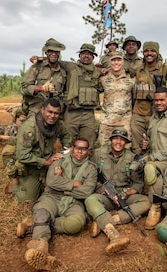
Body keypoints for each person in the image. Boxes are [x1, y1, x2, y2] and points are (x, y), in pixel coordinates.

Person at [22, 137, 98, 271]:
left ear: (88, 151)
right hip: (52, 196)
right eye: (78, 148)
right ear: (72, 148)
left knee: (77, 223)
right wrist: (73, 184)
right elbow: (51, 182)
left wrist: (62, 183)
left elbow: (86, 192)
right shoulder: (59, 159)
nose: (80, 152)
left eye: (84, 149)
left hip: (73, 202)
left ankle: (33, 226)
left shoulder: (91, 169)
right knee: (42, 212)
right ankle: (42, 247)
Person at [85, 128, 150, 254]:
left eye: (122, 140)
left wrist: (125, 194)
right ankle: (113, 234)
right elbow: (90, 175)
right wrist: (101, 188)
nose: (119, 142)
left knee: (146, 201)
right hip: (105, 195)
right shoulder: (98, 154)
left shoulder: (132, 158)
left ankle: (106, 220)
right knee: (90, 200)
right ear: (110, 140)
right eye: (115, 138)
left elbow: (138, 183)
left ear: (126, 142)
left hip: (123, 194)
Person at [136, 87, 167, 229]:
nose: (158, 103)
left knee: (150, 168)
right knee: (135, 166)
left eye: (162, 100)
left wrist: (152, 157)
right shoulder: (154, 117)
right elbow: (152, 139)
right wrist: (146, 144)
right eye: (156, 100)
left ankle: (156, 207)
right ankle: (143, 199)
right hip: (155, 157)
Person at [13, 98, 71, 206]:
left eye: (56, 113)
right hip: (32, 166)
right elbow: (22, 155)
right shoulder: (29, 128)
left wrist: (64, 152)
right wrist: (45, 162)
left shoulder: (59, 124)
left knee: (61, 189)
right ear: (42, 110)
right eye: (50, 112)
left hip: (49, 162)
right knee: (27, 200)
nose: (53, 116)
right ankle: (15, 186)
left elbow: (66, 136)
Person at [131, 41, 167, 155]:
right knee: (137, 147)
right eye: (146, 51)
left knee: (155, 145)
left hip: (155, 115)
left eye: (152, 51)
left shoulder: (166, 68)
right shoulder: (138, 70)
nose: (149, 53)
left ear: (157, 52)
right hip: (138, 114)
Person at [61, 43, 104, 149]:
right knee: (68, 142)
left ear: (93, 57)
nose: (86, 56)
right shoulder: (71, 67)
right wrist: (39, 59)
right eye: (84, 53)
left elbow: (102, 88)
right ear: (79, 55)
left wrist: (104, 70)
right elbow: (54, 60)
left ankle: (87, 165)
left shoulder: (97, 72)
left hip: (88, 115)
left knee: (88, 144)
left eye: (89, 54)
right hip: (72, 113)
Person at [21, 38, 67, 117]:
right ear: (46, 52)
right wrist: (41, 88)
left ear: (59, 53)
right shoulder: (37, 66)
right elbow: (24, 88)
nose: (53, 54)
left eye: (56, 51)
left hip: (56, 109)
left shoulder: (63, 69)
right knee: (31, 127)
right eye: (50, 51)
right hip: (37, 107)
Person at [98, 51, 135, 146]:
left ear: (123, 61)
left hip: (124, 122)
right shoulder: (103, 78)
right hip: (107, 122)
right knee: (104, 150)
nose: (116, 63)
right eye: (113, 60)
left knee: (125, 149)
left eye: (119, 60)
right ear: (110, 62)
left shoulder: (131, 77)